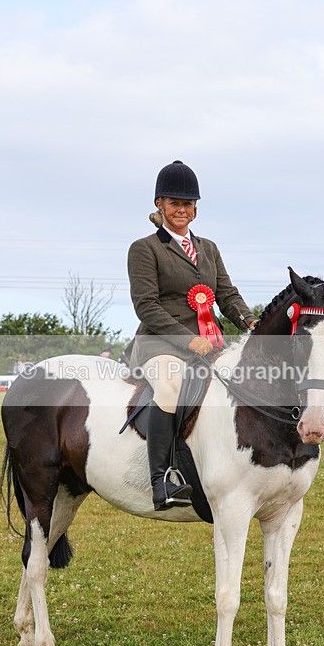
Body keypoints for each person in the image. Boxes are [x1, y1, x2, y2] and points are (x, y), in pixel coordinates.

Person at [128, 160, 257, 510]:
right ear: (160, 204)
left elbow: (226, 294)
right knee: (170, 387)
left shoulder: (209, 248)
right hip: (158, 343)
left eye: (187, 203)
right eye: (174, 203)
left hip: (209, 344)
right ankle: (161, 481)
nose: (181, 210)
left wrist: (251, 323)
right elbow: (146, 306)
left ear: (196, 208)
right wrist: (188, 339)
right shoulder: (144, 249)